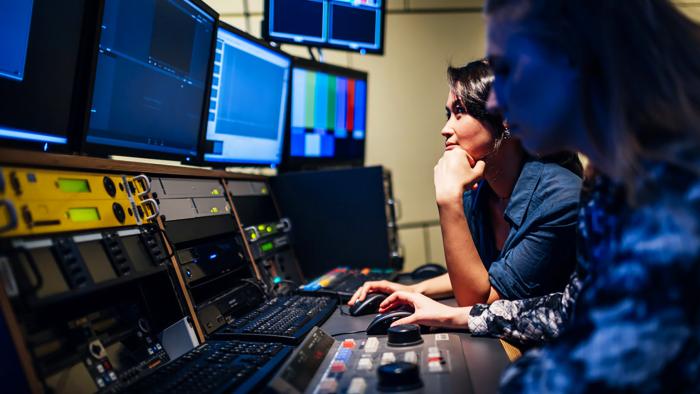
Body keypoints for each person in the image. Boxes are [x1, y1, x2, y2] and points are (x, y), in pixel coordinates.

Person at [380, 0, 700, 390]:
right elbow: (571, 310)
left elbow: (613, 364)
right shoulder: (610, 185)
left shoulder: (674, 188)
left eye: (510, 67)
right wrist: (461, 317)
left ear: (574, 56)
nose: (496, 102)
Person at [350, 60, 583, 308]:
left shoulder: (562, 200)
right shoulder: (481, 192)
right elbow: (484, 276)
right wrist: (414, 289)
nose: (445, 128)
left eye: (460, 112)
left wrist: (448, 200)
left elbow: (478, 303)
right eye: (448, 114)